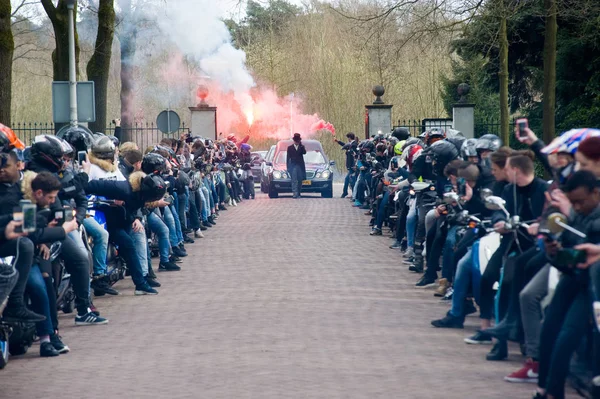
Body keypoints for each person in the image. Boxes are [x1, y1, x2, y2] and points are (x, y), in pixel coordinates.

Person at [335, 132, 358, 198]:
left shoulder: (354, 145)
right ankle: (351, 193)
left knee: (348, 179)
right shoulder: (351, 144)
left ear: (349, 138)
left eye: (348, 138)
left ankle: (345, 193)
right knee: (351, 180)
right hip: (350, 166)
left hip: (352, 166)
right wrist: (338, 141)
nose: (347, 139)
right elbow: (345, 145)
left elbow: (353, 154)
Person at [287, 133, 306, 199]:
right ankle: (295, 193)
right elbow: (288, 158)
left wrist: (301, 145)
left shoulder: (301, 147)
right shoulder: (290, 148)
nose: (297, 142)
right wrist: (288, 167)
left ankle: (298, 192)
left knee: (300, 180)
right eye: (296, 141)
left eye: (298, 141)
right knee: (294, 180)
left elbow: (304, 152)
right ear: (294, 141)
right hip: (293, 166)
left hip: (300, 166)